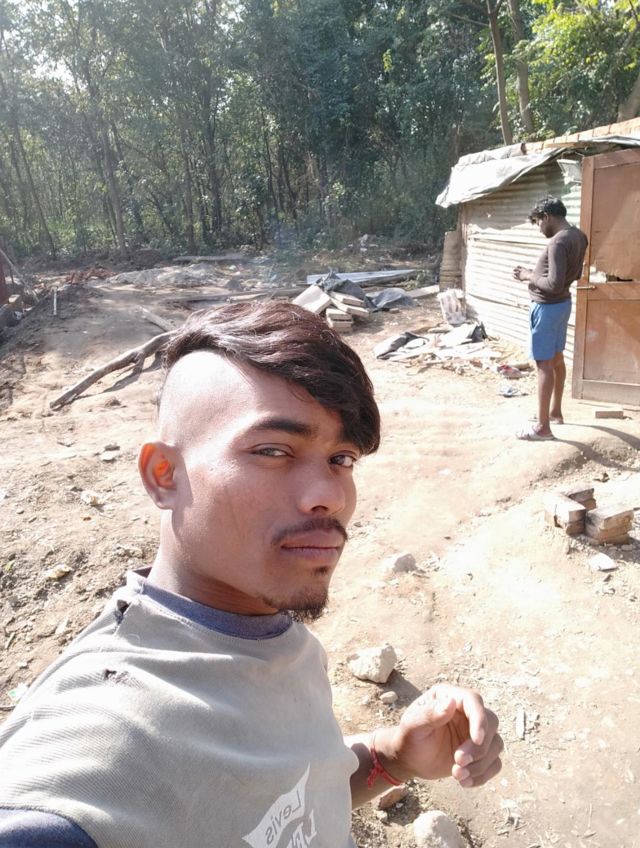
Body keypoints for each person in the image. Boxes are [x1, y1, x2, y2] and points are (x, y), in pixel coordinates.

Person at [0, 303, 503, 848]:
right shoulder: (100, 750)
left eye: (341, 458)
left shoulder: (273, 633)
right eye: (272, 451)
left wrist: (389, 756)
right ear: (164, 475)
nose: (331, 496)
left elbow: (277, 810)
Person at [513, 195, 588, 441]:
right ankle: (555, 412)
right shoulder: (579, 236)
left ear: (546, 217)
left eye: (538, 222)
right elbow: (574, 275)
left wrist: (528, 275)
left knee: (544, 364)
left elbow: (553, 284)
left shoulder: (557, 242)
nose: (539, 228)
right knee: (556, 359)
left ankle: (542, 428)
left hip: (547, 308)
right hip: (562, 305)